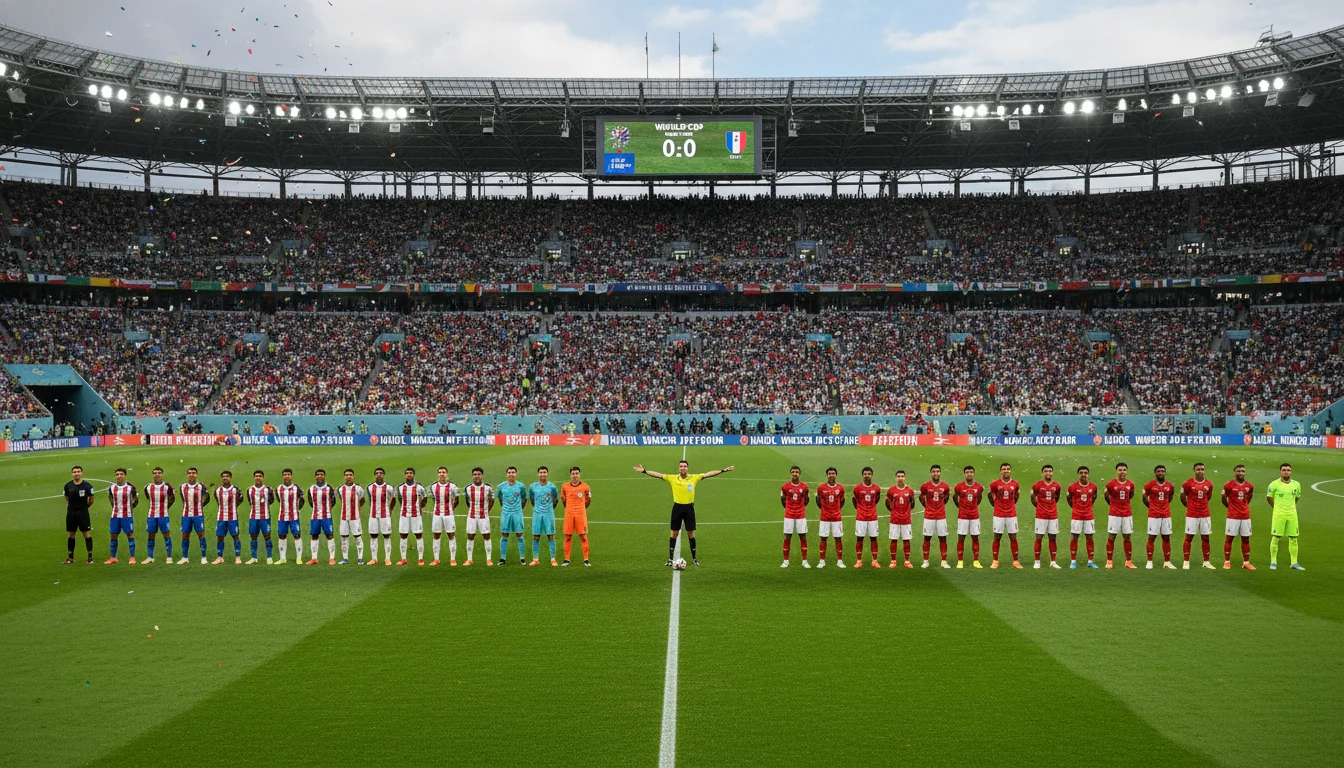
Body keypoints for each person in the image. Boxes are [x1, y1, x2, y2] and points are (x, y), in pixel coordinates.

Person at [632, 459, 732, 567]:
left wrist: (723, 470)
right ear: (678, 468)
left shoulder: (694, 478)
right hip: (677, 508)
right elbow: (659, 475)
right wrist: (644, 471)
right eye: (681, 466)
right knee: (674, 533)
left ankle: (694, 559)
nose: (682, 468)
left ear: (687, 468)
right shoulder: (672, 478)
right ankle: (670, 559)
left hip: (689, 509)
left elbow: (708, 474)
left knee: (691, 534)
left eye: (684, 466)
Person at [1266, 462, 1304, 570]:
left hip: (1292, 515)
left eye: (1288, 470)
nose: (1286, 472)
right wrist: (1277, 508)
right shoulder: (1273, 485)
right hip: (1279, 515)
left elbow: (1296, 497)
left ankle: (1294, 563)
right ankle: (1273, 562)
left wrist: (1290, 507)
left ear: (1291, 472)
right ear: (1280, 471)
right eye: (1284, 470)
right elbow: (1269, 498)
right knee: (1276, 537)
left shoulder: (1296, 484)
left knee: (1293, 538)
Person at [1180, 462, 1215, 570]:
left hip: (1205, 515)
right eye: (1198, 469)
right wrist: (1189, 506)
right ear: (1194, 470)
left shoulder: (1209, 484)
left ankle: (1206, 561)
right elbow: (1182, 496)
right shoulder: (1188, 483)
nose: (1200, 471)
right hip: (1192, 515)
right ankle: (1186, 561)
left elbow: (1208, 497)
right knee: (1189, 537)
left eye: (1202, 469)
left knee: (1205, 538)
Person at [1142, 465, 1177, 569]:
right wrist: (1152, 507)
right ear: (1155, 473)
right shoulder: (1149, 485)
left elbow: (1169, 498)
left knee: (1166, 538)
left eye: (1162, 471)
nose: (1161, 473)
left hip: (1166, 515)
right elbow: (1144, 498)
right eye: (1158, 471)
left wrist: (1164, 507)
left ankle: (1167, 561)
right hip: (1153, 516)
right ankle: (1149, 561)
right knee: (1151, 538)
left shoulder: (1170, 486)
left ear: (1165, 473)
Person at [1104, 462, 1137, 569]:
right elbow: (1106, 495)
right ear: (1116, 471)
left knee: (1127, 537)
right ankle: (1109, 561)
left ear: (1127, 471)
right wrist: (1113, 505)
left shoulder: (1131, 484)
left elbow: (1131, 495)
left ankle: (1128, 561)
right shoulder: (1111, 484)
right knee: (1112, 536)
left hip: (1127, 514)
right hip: (1114, 514)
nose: (1122, 472)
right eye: (1120, 470)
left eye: (1124, 470)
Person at [1222, 464, 1255, 570]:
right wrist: (1231, 507)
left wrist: (1243, 507)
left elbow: (1248, 498)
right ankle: (1227, 561)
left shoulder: (1249, 486)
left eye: (1243, 471)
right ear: (1234, 472)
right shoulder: (1228, 485)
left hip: (1245, 516)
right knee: (1229, 538)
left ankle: (1246, 562)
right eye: (1238, 471)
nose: (1241, 473)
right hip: (1232, 516)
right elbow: (1223, 498)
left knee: (1246, 539)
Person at [988, 462, 1021, 569]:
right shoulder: (994, 484)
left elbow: (1016, 497)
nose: (1006, 471)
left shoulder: (1015, 484)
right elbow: (991, 496)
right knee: (997, 537)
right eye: (1003, 469)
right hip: (999, 515)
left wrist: (1009, 506)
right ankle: (995, 561)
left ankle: (1015, 561)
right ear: (1000, 471)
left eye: (1008, 469)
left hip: (1011, 514)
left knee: (1013, 537)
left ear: (1010, 470)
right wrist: (998, 506)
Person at [920, 465, 952, 569]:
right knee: (927, 537)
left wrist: (940, 507)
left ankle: (944, 561)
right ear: (930, 473)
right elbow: (921, 497)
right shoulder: (925, 486)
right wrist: (927, 507)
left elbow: (946, 498)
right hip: (929, 516)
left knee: (943, 538)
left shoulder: (945, 486)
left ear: (940, 473)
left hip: (941, 516)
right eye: (933, 471)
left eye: (937, 471)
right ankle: (925, 561)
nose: (936, 473)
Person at [1066, 466, 1099, 569]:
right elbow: (1069, 498)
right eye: (1081, 473)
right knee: (1074, 537)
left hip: (1089, 516)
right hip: (1076, 516)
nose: (1083, 475)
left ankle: (1090, 561)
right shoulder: (1072, 487)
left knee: (1089, 538)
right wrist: (1075, 508)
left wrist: (1087, 507)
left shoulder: (1093, 487)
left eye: (1085, 473)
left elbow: (1094, 497)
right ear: (1078, 474)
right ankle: (1073, 561)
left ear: (1088, 474)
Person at [142, 467, 176, 565]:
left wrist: (165, 507)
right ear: (152, 475)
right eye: (155, 473)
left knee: (166, 535)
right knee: (151, 536)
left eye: (159, 473)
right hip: (151, 515)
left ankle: (169, 557)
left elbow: (172, 499)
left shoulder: (167, 487)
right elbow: (148, 497)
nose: (157, 475)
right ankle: (150, 557)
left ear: (162, 474)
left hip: (163, 515)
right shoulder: (147, 487)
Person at [953, 466, 984, 569]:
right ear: (964, 474)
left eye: (971, 472)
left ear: (974, 473)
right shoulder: (959, 487)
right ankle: (960, 561)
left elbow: (979, 499)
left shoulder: (979, 487)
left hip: (974, 516)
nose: (969, 474)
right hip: (963, 516)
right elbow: (955, 497)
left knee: (975, 537)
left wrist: (973, 507)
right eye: (967, 472)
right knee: (961, 538)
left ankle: (976, 561)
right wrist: (961, 507)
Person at [527, 466, 560, 566]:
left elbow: (556, 500)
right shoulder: (533, 487)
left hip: (548, 514)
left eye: (544, 472)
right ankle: (535, 559)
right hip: (537, 515)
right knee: (536, 536)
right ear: (538, 474)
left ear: (547, 474)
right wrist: (538, 508)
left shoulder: (552, 487)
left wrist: (549, 509)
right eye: (541, 472)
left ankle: (553, 559)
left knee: (550, 536)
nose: (542, 474)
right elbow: (532, 499)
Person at [105, 468, 139, 565]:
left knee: (130, 534)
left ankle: (132, 557)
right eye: (117, 474)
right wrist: (115, 508)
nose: (119, 476)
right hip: (115, 515)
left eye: (121, 474)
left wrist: (129, 508)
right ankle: (113, 557)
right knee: (113, 535)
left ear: (125, 475)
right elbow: (111, 499)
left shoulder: (130, 487)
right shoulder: (112, 488)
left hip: (127, 515)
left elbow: (135, 500)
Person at [779, 465, 810, 568]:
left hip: (801, 515)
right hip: (789, 515)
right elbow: (783, 500)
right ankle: (786, 561)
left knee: (803, 536)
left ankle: (804, 561)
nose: (794, 473)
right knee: (787, 537)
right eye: (793, 472)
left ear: (799, 473)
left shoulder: (804, 487)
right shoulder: (785, 487)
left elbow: (806, 500)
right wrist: (789, 508)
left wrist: (799, 508)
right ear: (790, 473)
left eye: (796, 472)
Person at [395, 468, 427, 565]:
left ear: (414, 475)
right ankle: (403, 559)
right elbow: (400, 500)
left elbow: (425, 498)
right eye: (407, 473)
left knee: (418, 535)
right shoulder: (400, 487)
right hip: (404, 515)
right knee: (403, 535)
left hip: (416, 515)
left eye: (411, 473)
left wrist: (419, 507)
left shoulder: (419, 487)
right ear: (405, 475)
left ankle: (420, 559)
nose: (409, 475)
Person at [815, 467, 847, 569]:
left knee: (838, 538)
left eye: (833, 473)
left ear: (836, 475)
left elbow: (842, 501)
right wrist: (825, 510)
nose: (831, 475)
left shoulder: (840, 488)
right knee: (823, 538)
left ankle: (840, 561)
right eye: (829, 473)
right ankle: (822, 561)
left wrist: (836, 510)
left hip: (836, 518)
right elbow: (818, 502)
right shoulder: (821, 488)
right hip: (824, 518)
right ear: (827, 475)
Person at [177, 467, 210, 565]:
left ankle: (204, 557)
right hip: (186, 515)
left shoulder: (201, 486)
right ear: (187, 475)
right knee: (185, 535)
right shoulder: (182, 487)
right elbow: (183, 499)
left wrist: (200, 505)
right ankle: (185, 557)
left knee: (201, 535)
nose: (191, 475)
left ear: (196, 474)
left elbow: (207, 498)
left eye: (194, 473)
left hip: (198, 514)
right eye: (190, 473)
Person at [462, 467, 495, 566]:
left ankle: (488, 559)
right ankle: (469, 559)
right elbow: (467, 501)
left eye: (479, 474)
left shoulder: (488, 488)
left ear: (482, 476)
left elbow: (492, 500)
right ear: (472, 476)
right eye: (475, 474)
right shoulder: (467, 488)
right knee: (470, 536)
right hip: (471, 516)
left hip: (483, 516)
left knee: (486, 536)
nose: (477, 476)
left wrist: (487, 510)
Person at [63, 465, 95, 564]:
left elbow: (91, 500)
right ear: (72, 473)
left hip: (83, 513)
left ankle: (90, 558)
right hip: (71, 512)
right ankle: (70, 557)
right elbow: (67, 498)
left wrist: (83, 508)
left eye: (78, 471)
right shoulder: (68, 486)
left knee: (86, 534)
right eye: (74, 472)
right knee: (71, 534)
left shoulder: (87, 486)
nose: (76, 473)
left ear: (81, 473)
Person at [561, 466, 593, 567]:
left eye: (576, 473)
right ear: (570, 475)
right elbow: (563, 500)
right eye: (573, 474)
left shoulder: (585, 487)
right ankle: (566, 560)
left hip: (581, 514)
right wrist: (570, 508)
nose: (575, 476)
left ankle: (586, 560)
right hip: (569, 514)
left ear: (580, 474)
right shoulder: (565, 486)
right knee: (567, 536)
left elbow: (588, 500)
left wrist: (581, 509)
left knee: (583, 536)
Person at [851, 467, 882, 569]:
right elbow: (854, 500)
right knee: (860, 538)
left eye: (869, 474)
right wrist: (860, 509)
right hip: (861, 518)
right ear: (862, 475)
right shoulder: (857, 488)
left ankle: (874, 561)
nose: (867, 476)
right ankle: (859, 561)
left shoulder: (876, 488)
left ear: (872, 475)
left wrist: (870, 509)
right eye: (865, 474)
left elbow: (876, 499)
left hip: (873, 517)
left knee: (873, 538)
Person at [496, 467, 527, 566]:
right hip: (506, 513)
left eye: (513, 472)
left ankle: (522, 558)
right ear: (506, 474)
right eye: (509, 472)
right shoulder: (501, 486)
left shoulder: (521, 486)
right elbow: (500, 498)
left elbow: (524, 499)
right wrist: (506, 508)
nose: (511, 474)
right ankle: (502, 558)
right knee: (504, 535)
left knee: (520, 535)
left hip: (517, 513)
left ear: (516, 474)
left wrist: (518, 509)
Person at [885, 470, 916, 568]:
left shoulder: (910, 491)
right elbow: (888, 502)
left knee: (906, 540)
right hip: (894, 519)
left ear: (905, 478)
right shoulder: (891, 490)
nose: (900, 478)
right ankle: (893, 561)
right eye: (898, 476)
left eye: (902, 476)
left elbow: (912, 503)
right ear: (896, 478)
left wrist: (906, 512)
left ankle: (907, 561)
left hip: (906, 520)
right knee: (893, 540)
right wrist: (894, 511)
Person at [272, 468, 303, 564]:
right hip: (282, 516)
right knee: (282, 535)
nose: (286, 476)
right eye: (285, 474)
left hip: (294, 516)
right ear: (282, 476)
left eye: (288, 474)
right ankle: (282, 558)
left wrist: (296, 509)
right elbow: (278, 499)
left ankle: (299, 558)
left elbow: (301, 500)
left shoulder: (297, 488)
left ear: (291, 475)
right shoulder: (278, 488)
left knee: (297, 535)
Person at [307, 469, 337, 565]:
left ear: (324, 476)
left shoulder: (329, 488)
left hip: (326, 516)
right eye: (318, 474)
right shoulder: (311, 489)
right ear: (315, 476)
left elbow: (333, 501)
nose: (320, 476)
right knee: (314, 536)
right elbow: (310, 502)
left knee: (330, 535)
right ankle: (314, 558)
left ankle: (332, 558)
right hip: (315, 516)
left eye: (321, 474)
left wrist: (327, 509)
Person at [366, 468, 395, 566]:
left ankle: (387, 558)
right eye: (377, 473)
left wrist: (390, 509)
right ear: (374, 475)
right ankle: (374, 558)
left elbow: (393, 499)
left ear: (383, 475)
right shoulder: (370, 487)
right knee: (373, 535)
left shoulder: (389, 487)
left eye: (381, 473)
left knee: (386, 535)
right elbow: (370, 500)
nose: (379, 475)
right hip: (373, 514)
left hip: (385, 514)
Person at [245, 470, 275, 565]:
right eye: (256, 476)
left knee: (267, 536)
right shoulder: (249, 490)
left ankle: (269, 557)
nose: (258, 478)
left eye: (260, 476)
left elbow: (271, 501)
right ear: (254, 477)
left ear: (263, 478)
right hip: (253, 516)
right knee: (253, 536)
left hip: (265, 517)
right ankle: (254, 557)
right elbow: (250, 501)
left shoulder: (268, 489)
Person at [429, 467, 457, 566]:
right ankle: (436, 559)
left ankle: (452, 559)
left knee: (451, 535)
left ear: (447, 474)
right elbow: (434, 499)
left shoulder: (453, 486)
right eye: (440, 472)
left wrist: (450, 509)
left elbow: (456, 499)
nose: (442, 474)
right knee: (436, 535)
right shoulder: (433, 487)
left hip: (448, 514)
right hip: (437, 514)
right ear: (438, 474)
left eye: (444, 472)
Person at [213, 470, 242, 565]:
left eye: (227, 476)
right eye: (224, 476)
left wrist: (233, 507)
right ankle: (220, 557)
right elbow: (218, 501)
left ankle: (238, 557)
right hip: (221, 517)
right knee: (220, 537)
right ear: (221, 478)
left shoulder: (236, 489)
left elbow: (240, 499)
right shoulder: (217, 490)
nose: (225, 478)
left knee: (235, 536)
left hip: (232, 517)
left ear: (230, 478)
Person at [337, 469, 366, 564]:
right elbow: (342, 500)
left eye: (350, 475)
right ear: (344, 476)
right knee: (344, 537)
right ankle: (345, 559)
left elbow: (362, 500)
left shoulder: (358, 488)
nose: (348, 476)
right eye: (346, 475)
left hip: (355, 517)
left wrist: (356, 509)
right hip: (344, 517)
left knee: (358, 537)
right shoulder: (340, 489)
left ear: (353, 476)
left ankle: (360, 559)